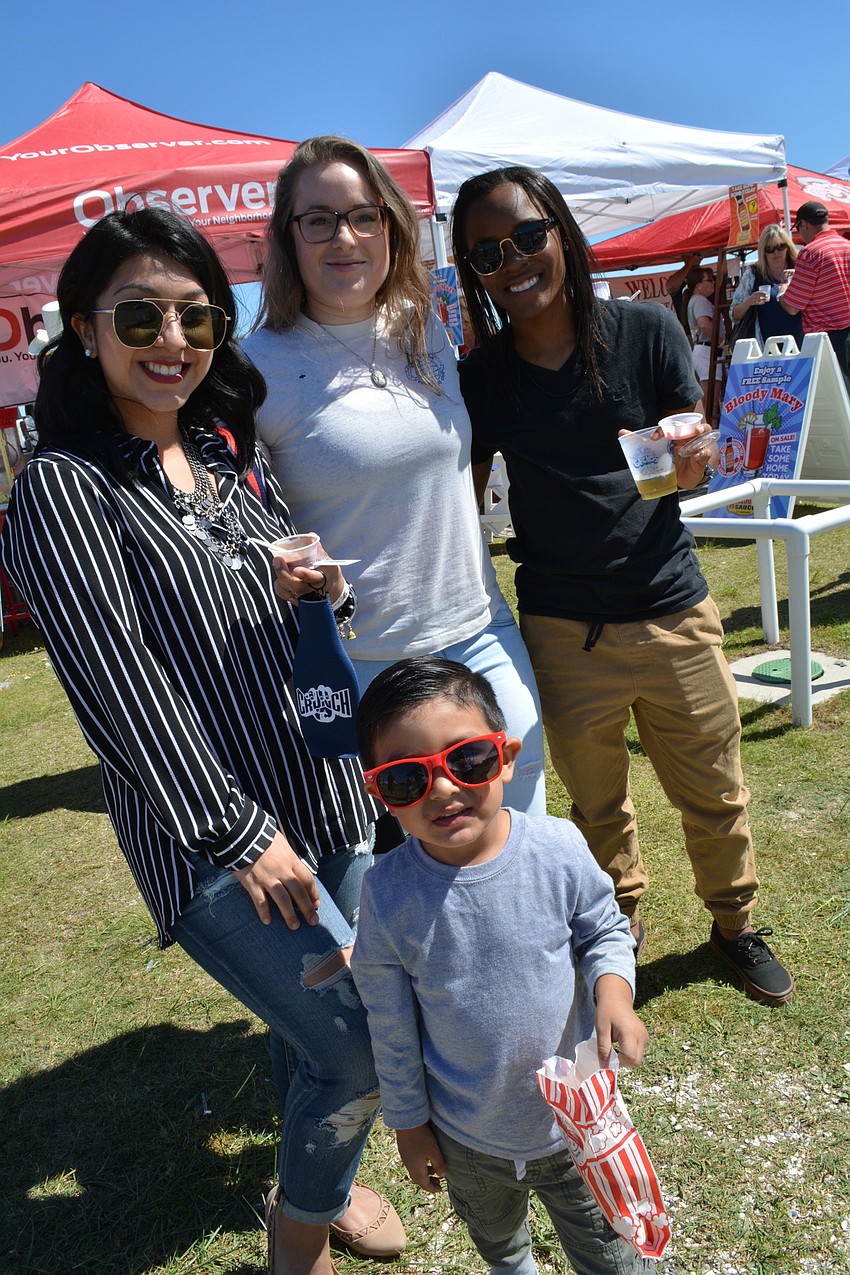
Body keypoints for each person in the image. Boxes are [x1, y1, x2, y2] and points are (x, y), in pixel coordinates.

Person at [0, 207, 406, 1275]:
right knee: (357, 1050)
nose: (172, 340)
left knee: (311, 1028)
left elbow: (284, 614)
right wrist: (239, 837)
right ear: (83, 327)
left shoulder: (227, 459)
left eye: (196, 317)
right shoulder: (64, 487)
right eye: (141, 315)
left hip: (327, 801)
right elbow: (114, 686)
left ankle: (309, 1178)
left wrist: (325, 588)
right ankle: (299, 1233)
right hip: (219, 836)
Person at [450, 165, 794, 1008]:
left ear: (561, 231)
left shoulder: (644, 330)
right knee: (598, 806)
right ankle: (617, 924)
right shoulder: (483, 375)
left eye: (528, 235)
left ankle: (735, 923)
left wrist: (693, 451)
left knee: (714, 789)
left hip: (671, 606)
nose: (514, 260)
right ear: (473, 271)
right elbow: (461, 487)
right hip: (564, 629)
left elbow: (691, 442)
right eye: (488, 252)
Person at [243, 135, 546, 819]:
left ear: (390, 227)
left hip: (478, 627)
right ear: (288, 238)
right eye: (317, 219)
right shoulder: (253, 367)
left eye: (363, 215)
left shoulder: (422, 326)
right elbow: (240, 522)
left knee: (520, 814)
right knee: (425, 856)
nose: (342, 236)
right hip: (367, 661)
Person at [351, 656, 649, 1275]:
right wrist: (409, 1125)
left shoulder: (558, 848)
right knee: (502, 1249)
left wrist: (614, 993)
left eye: (468, 760)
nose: (443, 789)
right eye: (408, 778)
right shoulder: (386, 893)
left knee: (612, 1256)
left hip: (575, 1125)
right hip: (466, 1139)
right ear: (378, 792)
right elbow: (390, 1023)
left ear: (507, 756)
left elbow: (604, 930)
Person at [779, 200, 850, 388]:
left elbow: (793, 306)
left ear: (805, 224)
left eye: (799, 229)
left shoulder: (811, 252)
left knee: (840, 401)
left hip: (830, 340)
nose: (800, 235)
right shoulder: (847, 245)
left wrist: (783, 293)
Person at [730, 224, 802, 349]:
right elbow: (733, 314)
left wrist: (798, 276)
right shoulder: (753, 274)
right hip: (766, 348)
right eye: (770, 249)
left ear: (788, 247)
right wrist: (749, 302)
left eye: (780, 246)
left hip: (802, 343)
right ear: (763, 252)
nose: (776, 253)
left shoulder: (801, 269)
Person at [685, 265, 727, 410]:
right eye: (710, 280)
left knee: (710, 401)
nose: (713, 283)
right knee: (710, 402)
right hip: (707, 351)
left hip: (704, 349)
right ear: (699, 285)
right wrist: (721, 340)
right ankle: (709, 429)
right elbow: (704, 324)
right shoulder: (700, 300)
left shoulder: (695, 300)